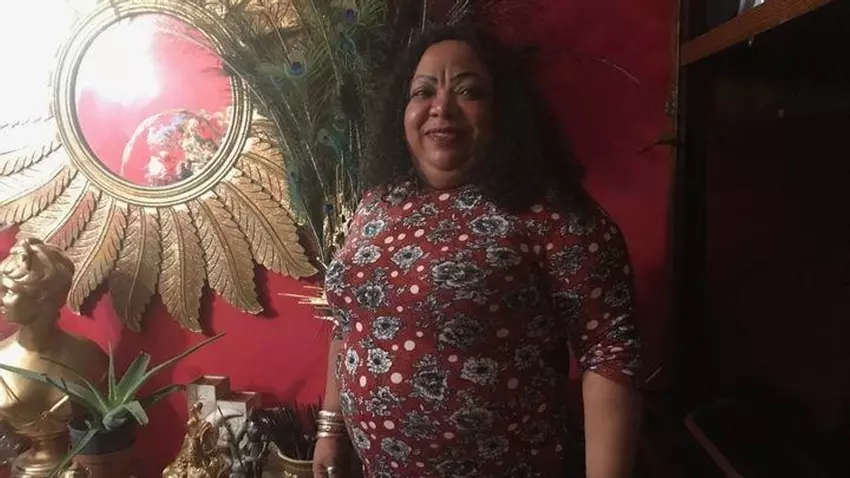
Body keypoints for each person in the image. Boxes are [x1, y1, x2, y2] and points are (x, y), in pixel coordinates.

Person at [313, 25, 643, 478]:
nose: (441, 107)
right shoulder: (376, 203)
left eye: (468, 91)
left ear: (502, 110)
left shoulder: (552, 213)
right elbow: (347, 322)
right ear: (402, 111)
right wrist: (330, 429)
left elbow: (609, 352)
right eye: (423, 92)